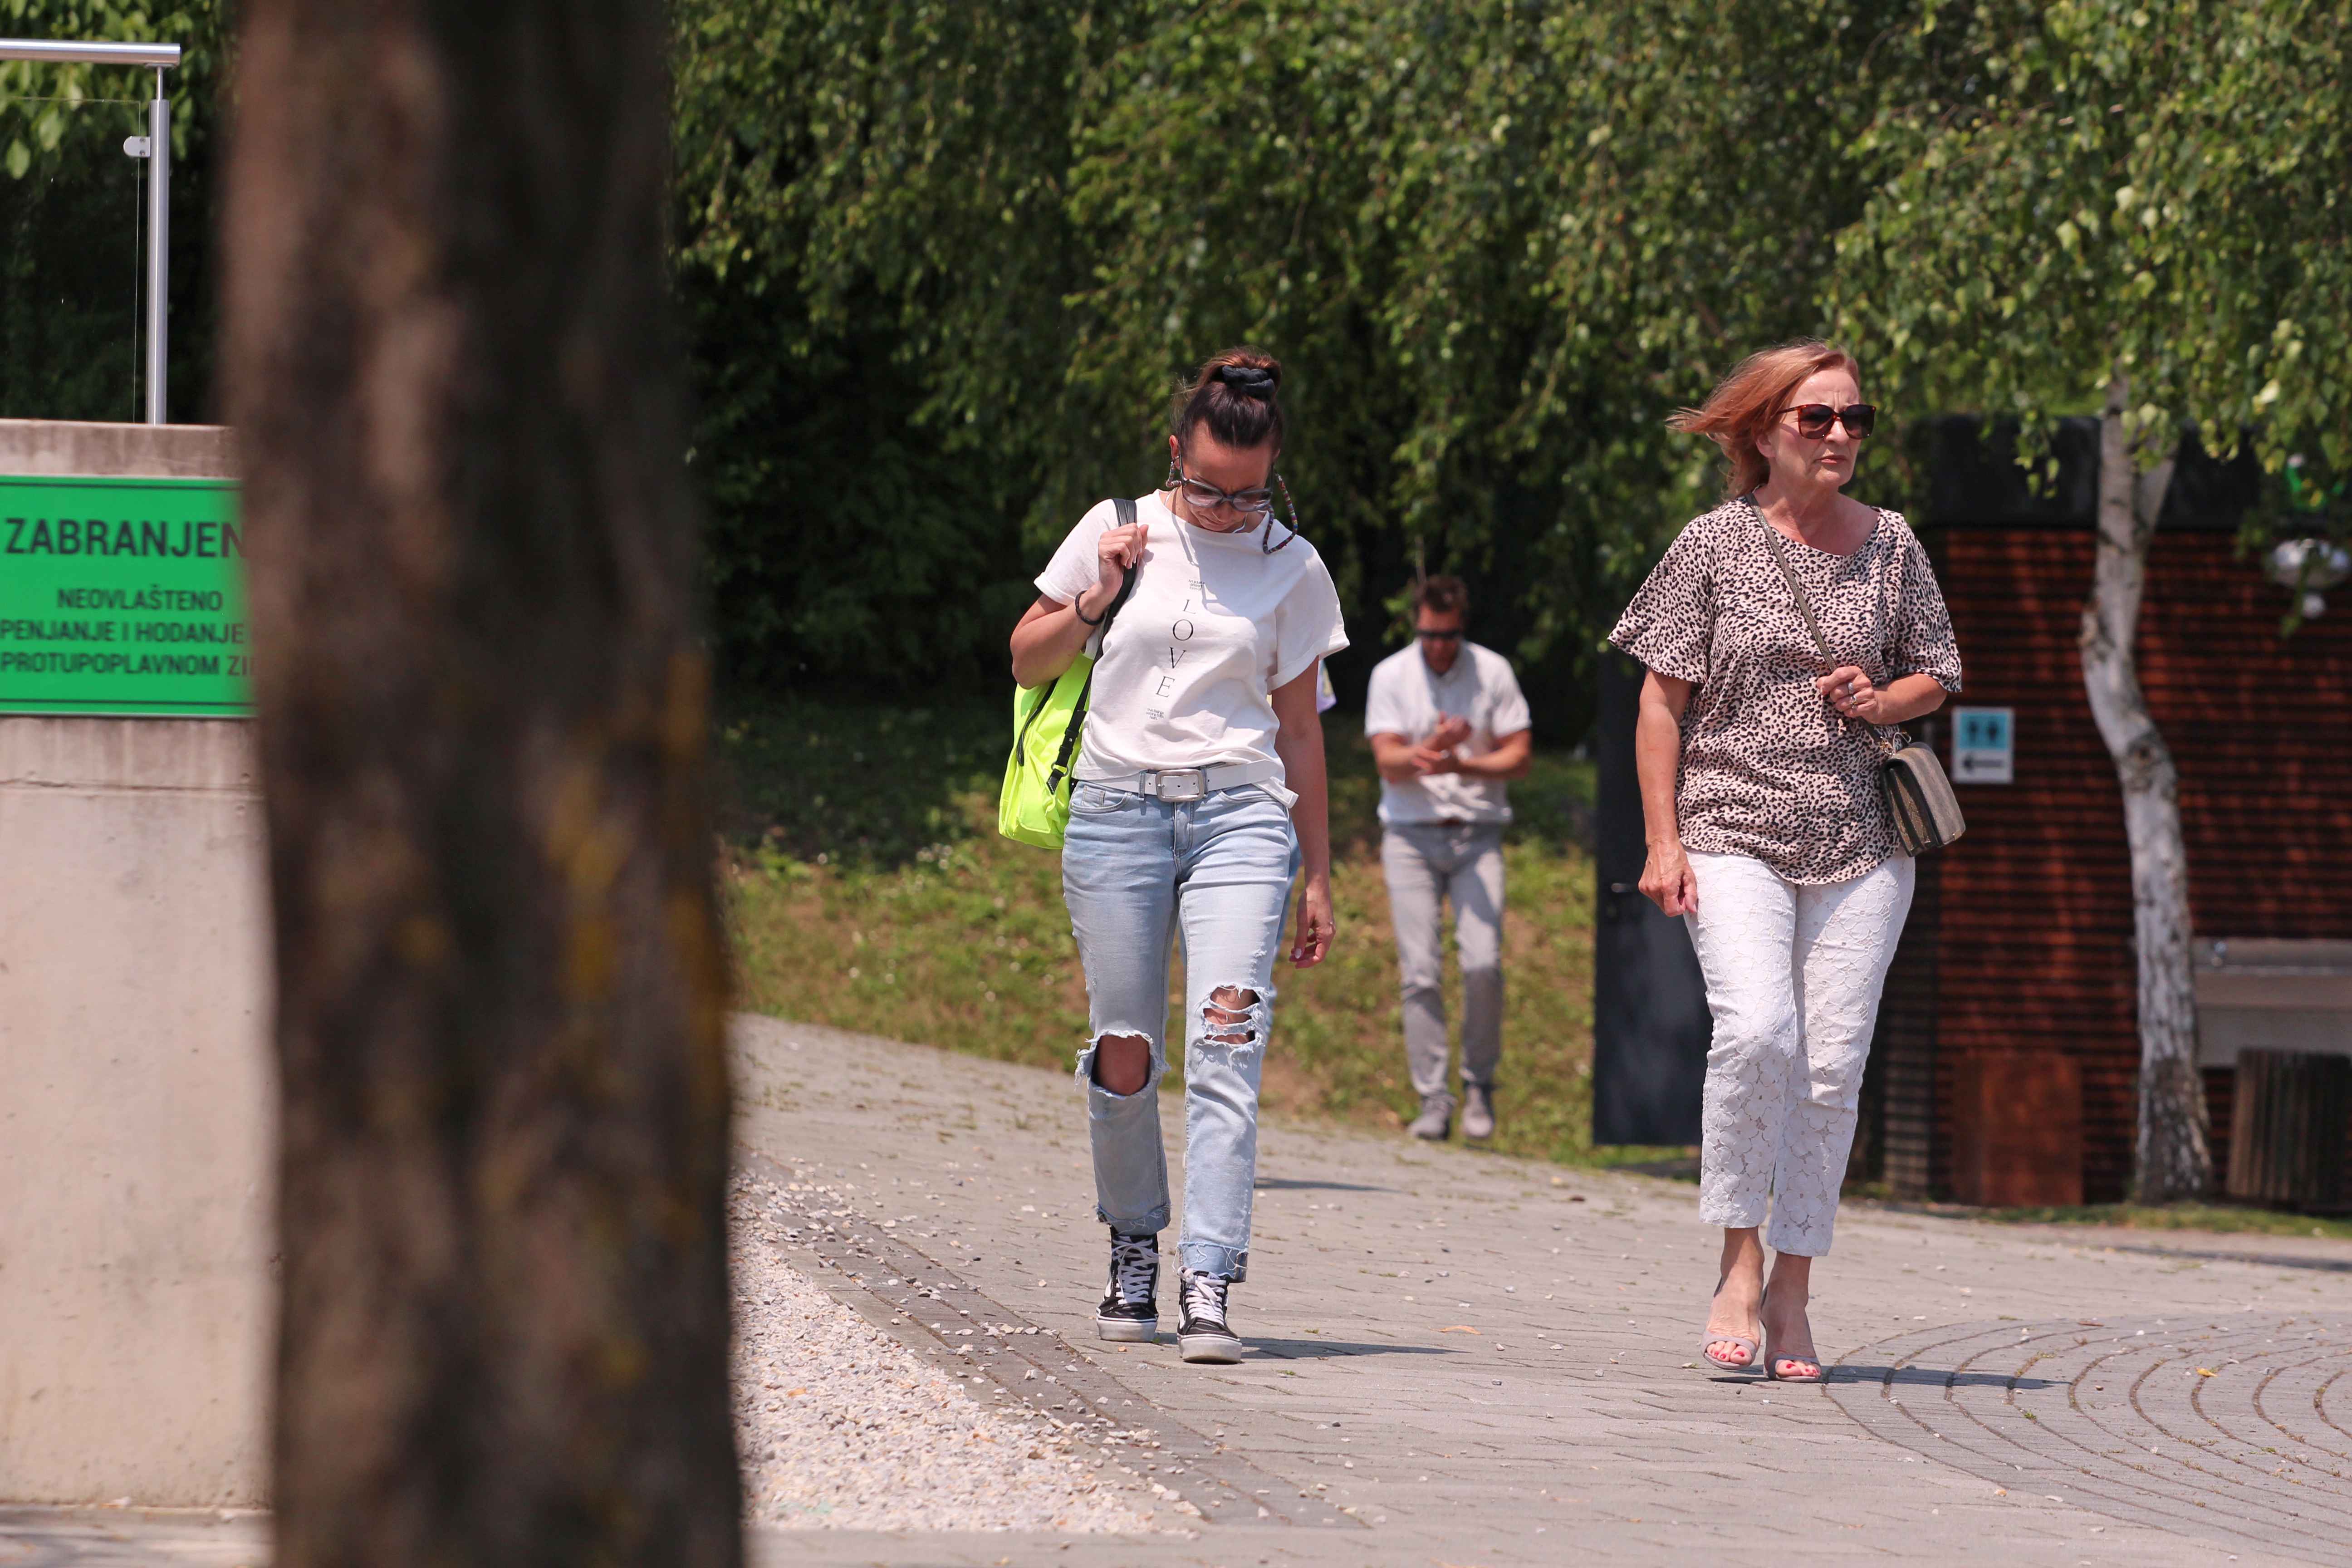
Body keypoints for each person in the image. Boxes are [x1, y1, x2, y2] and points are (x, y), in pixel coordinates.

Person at [1608, 340, 1961, 1383]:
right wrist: (1662, 839)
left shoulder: (1892, 544)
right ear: (1764, 432)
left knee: (1830, 1064)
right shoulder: (1712, 543)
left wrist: (1880, 699)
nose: (1841, 434)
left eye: (1855, 417)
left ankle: (1793, 1287)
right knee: (1759, 1030)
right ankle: (1736, 1261)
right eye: (1817, 417)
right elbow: (1659, 701)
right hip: (1732, 828)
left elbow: (1938, 672)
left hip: (1863, 842)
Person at [1008, 348, 1347, 1364]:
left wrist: (1320, 872)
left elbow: (1300, 730)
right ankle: (1132, 1243)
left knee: (1228, 1038)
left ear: (1275, 473)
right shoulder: (1116, 527)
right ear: (1174, 455)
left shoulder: (1294, 565)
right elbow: (1024, 659)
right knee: (1124, 1050)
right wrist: (1095, 596)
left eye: (1248, 495)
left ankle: (1210, 1273)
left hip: (1241, 816)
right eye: (1207, 489)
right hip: (1115, 810)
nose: (1226, 512)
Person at [1364, 577, 1532, 1142]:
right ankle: (1434, 1099)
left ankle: (1479, 1084)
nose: (1439, 647)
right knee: (1420, 972)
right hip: (1410, 837)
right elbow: (1389, 763)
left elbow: (1519, 757)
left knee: (1483, 964)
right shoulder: (1391, 675)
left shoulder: (1493, 671)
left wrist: (1463, 764)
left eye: (1449, 636)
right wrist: (1435, 748)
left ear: (1463, 629)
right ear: (1417, 627)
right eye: (1430, 636)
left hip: (1477, 835)